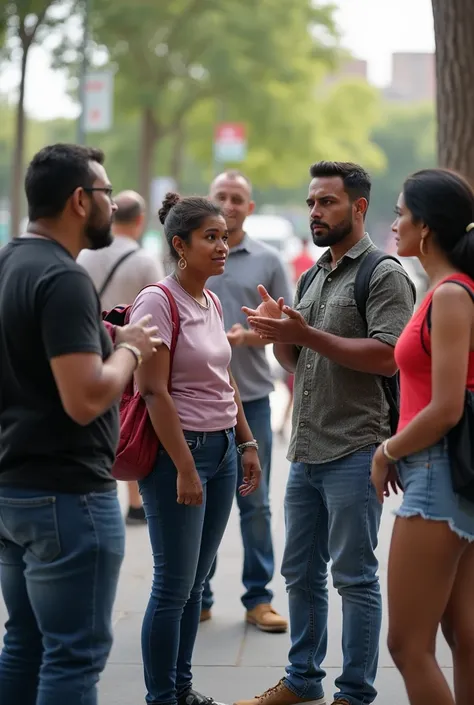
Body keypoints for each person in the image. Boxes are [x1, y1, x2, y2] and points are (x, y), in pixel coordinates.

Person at [238, 161, 415, 705]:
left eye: (327, 202)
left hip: (356, 448)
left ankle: (355, 692)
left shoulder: (383, 274)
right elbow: (298, 359)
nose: (316, 212)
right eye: (312, 202)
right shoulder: (314, 274)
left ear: (358, 207)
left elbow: (388, 357)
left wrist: (305, 333)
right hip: (307, 448)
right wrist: (278, 333)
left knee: (355, 578)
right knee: (300, 573)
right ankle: (302, 680)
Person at [0, 143, 161, 705]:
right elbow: (86, 398)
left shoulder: (10, 262)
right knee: (74, 655)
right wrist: (131, 350)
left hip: (16, 488)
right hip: (65, 497)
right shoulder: (62, 278)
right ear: (78, 200)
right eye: (105, 193)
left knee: (24, 641)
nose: (111, 205)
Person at [129, 192, 262, 705]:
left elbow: (224, 377)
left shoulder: (209, 299)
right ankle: (162, 696)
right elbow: (153, 390)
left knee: (195, 581)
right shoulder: (157, 301)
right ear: (180, 245)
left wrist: (246, 441)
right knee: (173, 585)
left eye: (225, 236)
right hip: (178, 455)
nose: (223, 245)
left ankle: (182, 689)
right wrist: (184, 467)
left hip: (224, 450)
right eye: (211, 237)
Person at [370, 169, 474, 705]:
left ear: (425, 227)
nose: (394, 224)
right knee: (464, 638)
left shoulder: (452, 295)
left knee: (408, 644)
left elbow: (446, 407)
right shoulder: (446, 290)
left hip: (437, 473)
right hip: (447, 473)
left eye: (400, 213)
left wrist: (387, 451)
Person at [203, 170, 291, 633]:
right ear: (210, 199)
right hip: (199, 404)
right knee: (200, 504)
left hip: (253, 400)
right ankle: (198, 595)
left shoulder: (269, 260)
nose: (231, 203)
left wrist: (249, 336)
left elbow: (287, 326)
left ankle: (259, 598)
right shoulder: (195, 252)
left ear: (250, 207)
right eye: (222, 196)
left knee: (254, 505)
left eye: (238, 198)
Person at [78, 190, 164, 526]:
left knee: (92, 420)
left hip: (89, 347)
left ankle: (95, 491)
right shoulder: (144, 260)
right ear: (140, 220)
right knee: (127, 426)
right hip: (130, 352)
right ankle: (133, 502)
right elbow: (160, 308)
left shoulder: (84, 255)